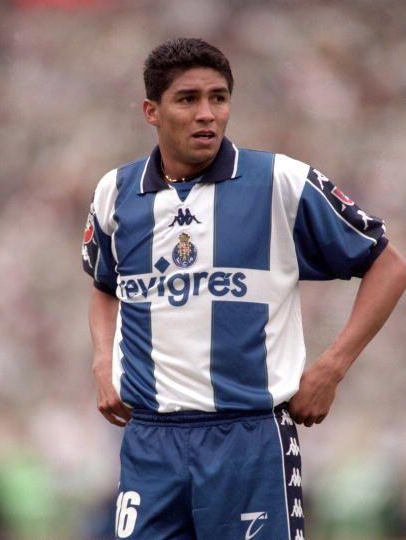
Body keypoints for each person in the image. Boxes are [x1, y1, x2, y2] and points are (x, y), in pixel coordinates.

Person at [82, 37, 406, 540]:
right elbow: (104, 284)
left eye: (219, 98)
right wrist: (104, 362)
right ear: (152, 111)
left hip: (249, 439)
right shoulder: (115, 192)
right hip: (150, 441)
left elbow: (388, 264)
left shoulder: (280, 181)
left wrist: (331, 368)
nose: (206, 114)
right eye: (188, 99)